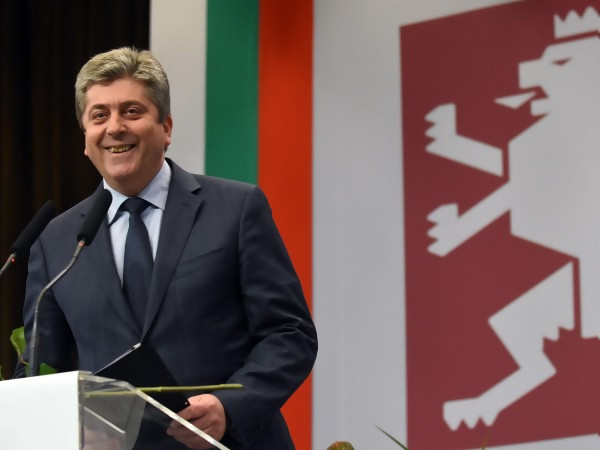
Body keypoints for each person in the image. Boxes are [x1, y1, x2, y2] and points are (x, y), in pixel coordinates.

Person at [16, 47, 317, 449]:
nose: (115, 127)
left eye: (132, 111)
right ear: (85, 139)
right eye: (99, 115)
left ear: (166, 127)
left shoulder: (236, 208)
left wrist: (230, 406)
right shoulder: (56, 240)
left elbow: (290, 333)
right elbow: (40, 368)